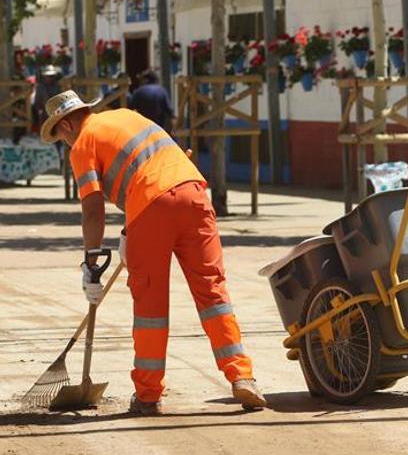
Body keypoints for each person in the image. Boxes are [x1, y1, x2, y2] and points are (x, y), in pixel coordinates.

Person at [39, 90, 266, 415]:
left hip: (150, 206)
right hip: (193, 193)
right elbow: (156, 166)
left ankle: (147, 394)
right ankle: (242, 377)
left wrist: (91, 261)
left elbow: (93, 209)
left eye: (61, 136)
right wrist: (130, 232)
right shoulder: (128, 117)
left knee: (151, 305)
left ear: (65, 127)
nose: (65, 143)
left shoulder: (82, 144)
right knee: (213, 291)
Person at [32, 65, 62, 129]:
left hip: (57, 113)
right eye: (48, 76)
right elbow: (37, 102)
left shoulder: (58, 86)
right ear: (44, 76)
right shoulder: (40, 87)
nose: (50, 78)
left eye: (51, 76)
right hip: (45, 114)